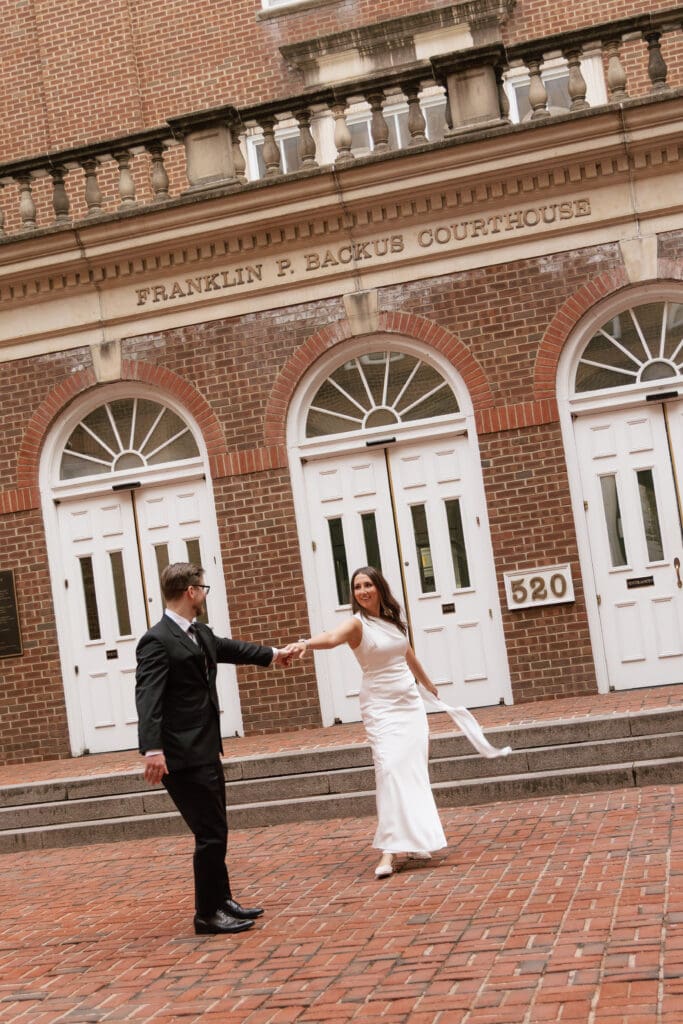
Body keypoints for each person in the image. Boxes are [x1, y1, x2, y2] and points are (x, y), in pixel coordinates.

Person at [293, 566, 510, 879]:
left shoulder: (392, 622)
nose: (362, 591)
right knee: (390, 770)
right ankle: (389, 850)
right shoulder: (357, 624)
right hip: (380, 706)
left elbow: (408, 655)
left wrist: (428, 683)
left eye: (368, 584)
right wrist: (305, 643)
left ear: (379, 588)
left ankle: (415, 839)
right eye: (357, 587)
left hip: (409, 704)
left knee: (412, 772)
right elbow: (331, 637)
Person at [135, 561, 295, 935]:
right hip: (181, 754)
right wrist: (152, 749)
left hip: (206, 748)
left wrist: (274, 654)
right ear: (191, 591)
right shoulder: (156, 641)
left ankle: (221, 900)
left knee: (216, 828)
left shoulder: (198, 633)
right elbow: (148, 698)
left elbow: (230, 648)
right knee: (209, 833)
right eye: (203, 588)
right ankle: (206, 914)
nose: (205, 594)